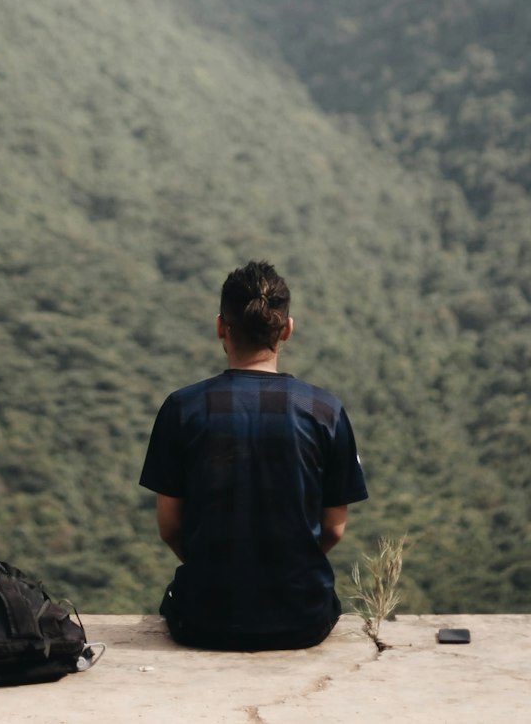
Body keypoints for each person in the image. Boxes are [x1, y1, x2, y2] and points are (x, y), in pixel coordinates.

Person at [139, 260, 368, 650]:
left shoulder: (182, 409)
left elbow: (170, 528)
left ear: (220, 328)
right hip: (302, 618)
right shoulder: (324, 411)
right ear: (287, 330)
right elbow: (333, 529)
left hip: (203, 618)